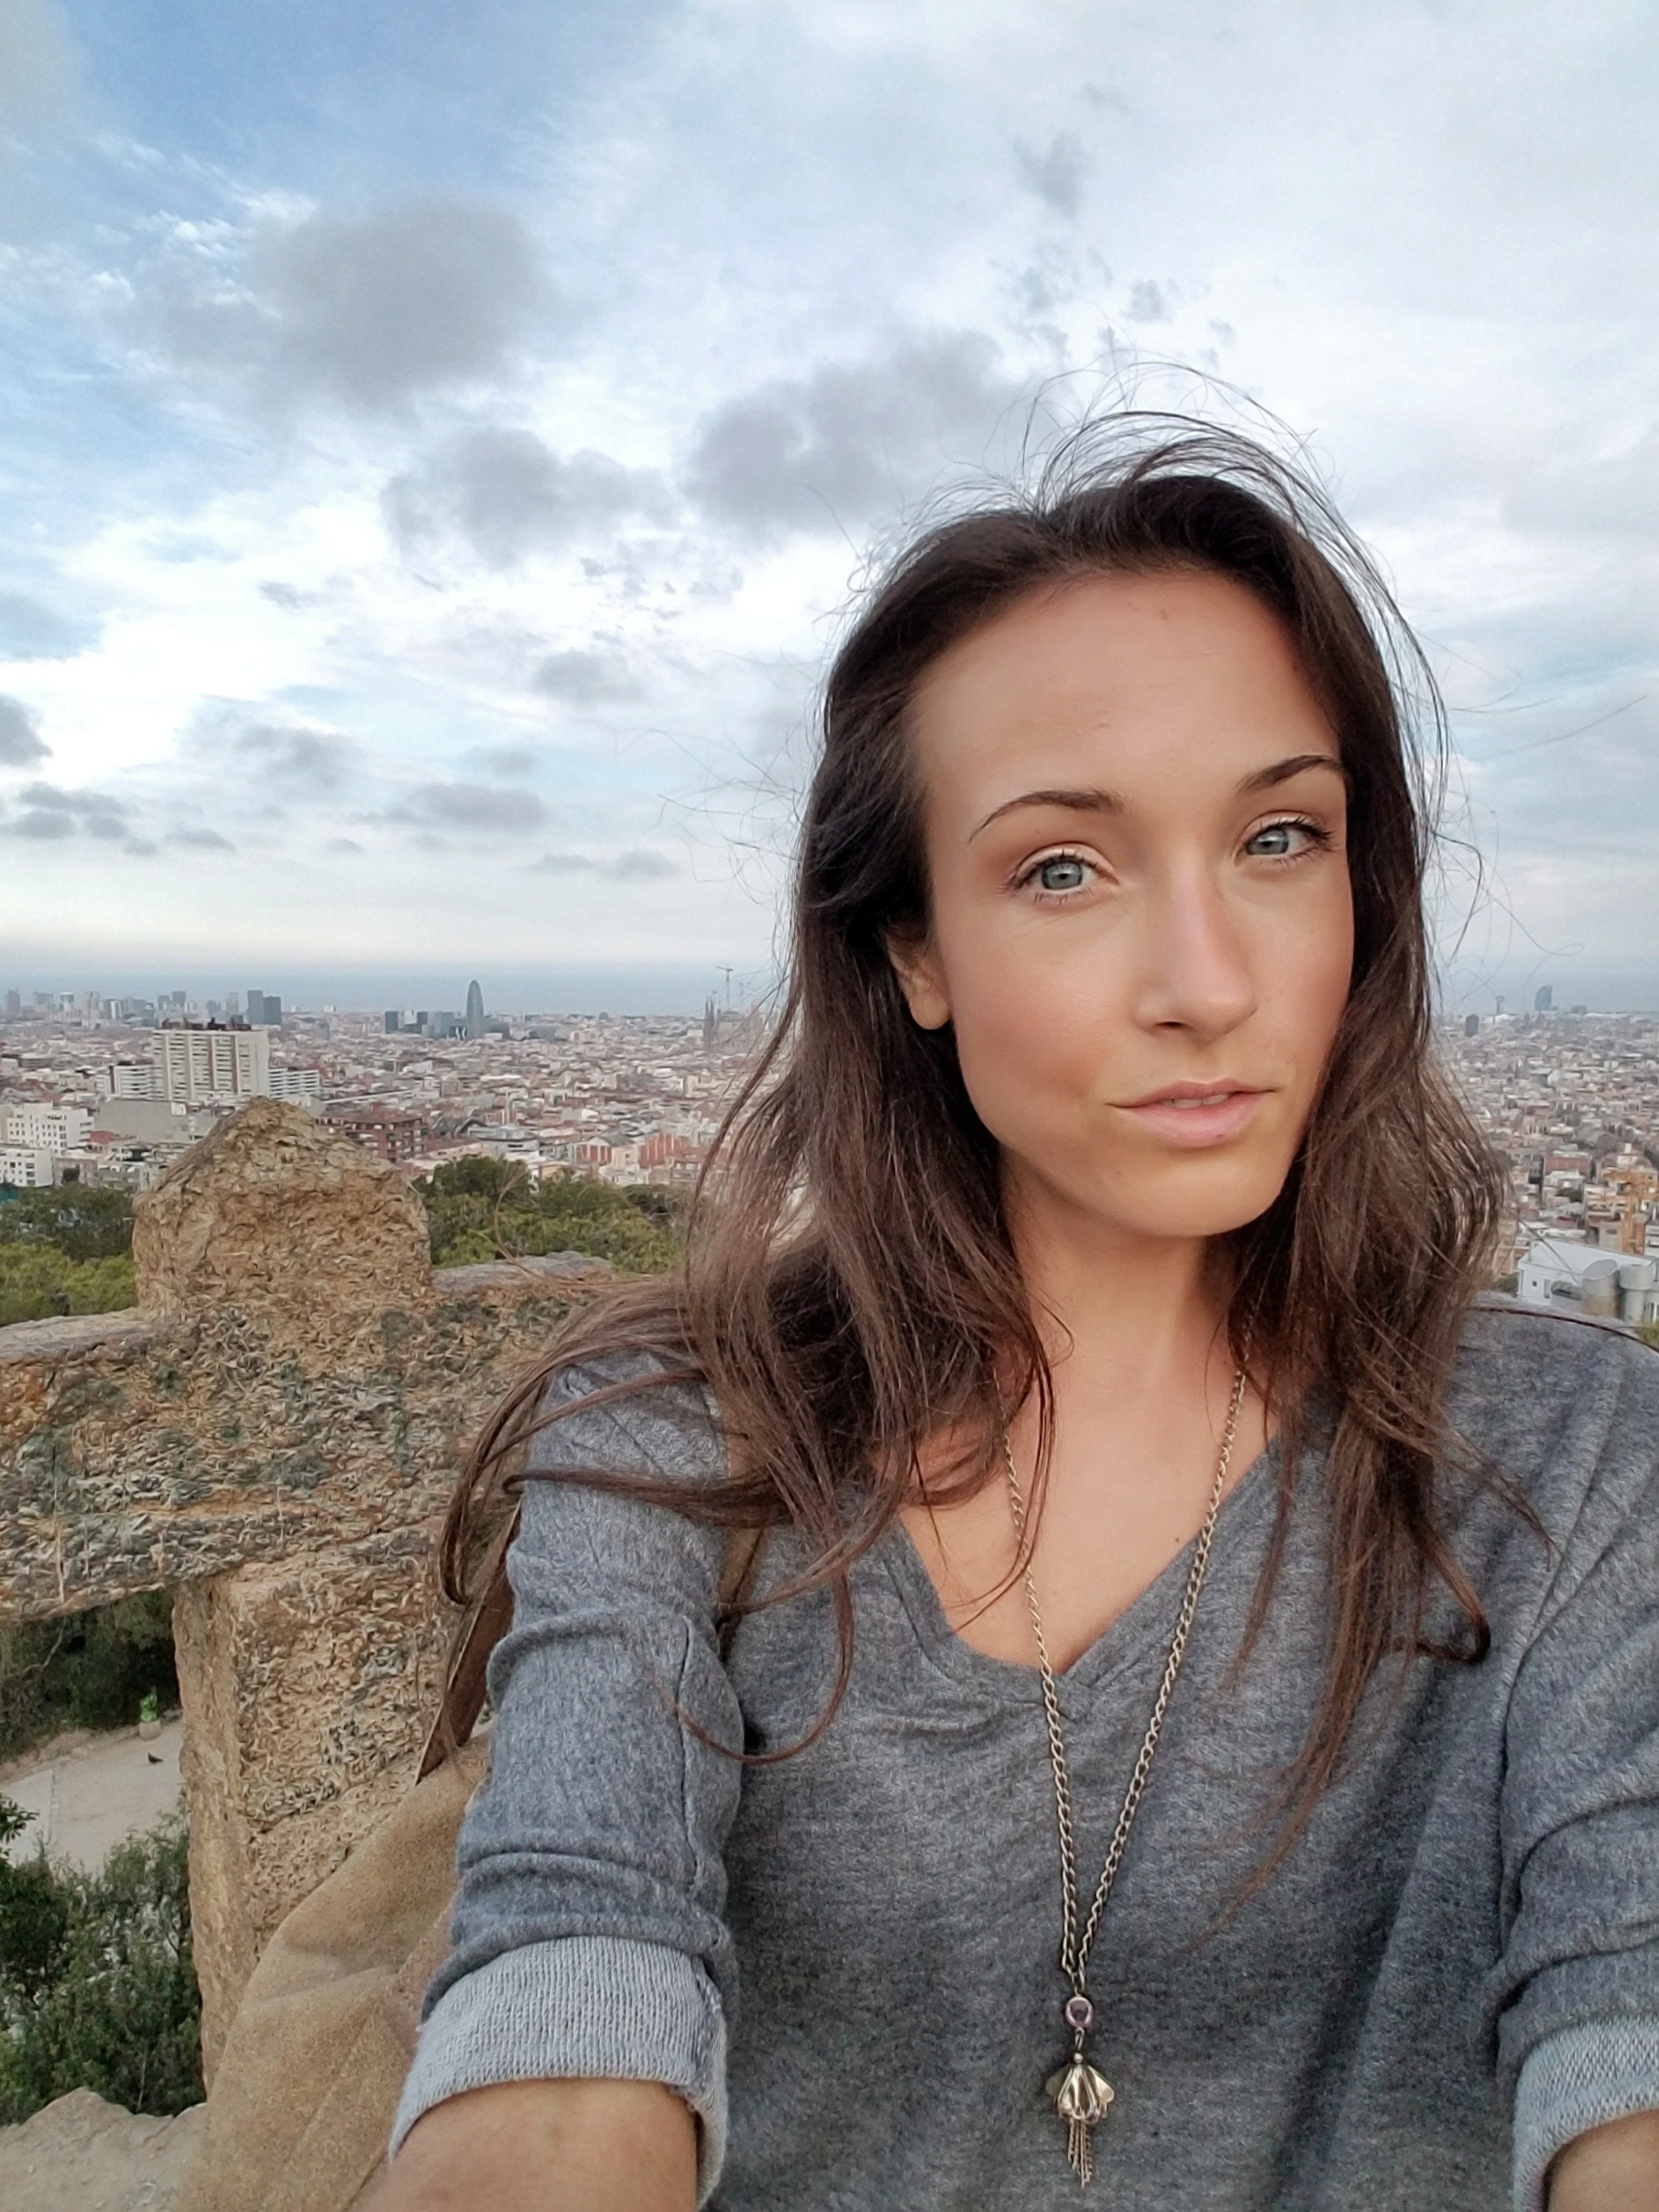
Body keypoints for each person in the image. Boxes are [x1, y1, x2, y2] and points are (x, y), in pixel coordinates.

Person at [370, 421, 1659, 2212]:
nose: (1209, 983)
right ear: (911, 950)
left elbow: (1631, 1992)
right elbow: (576, 1964)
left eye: (1281, 836)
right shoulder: (681, 1439)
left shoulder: (1573, 1461)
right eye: (1066, 867)